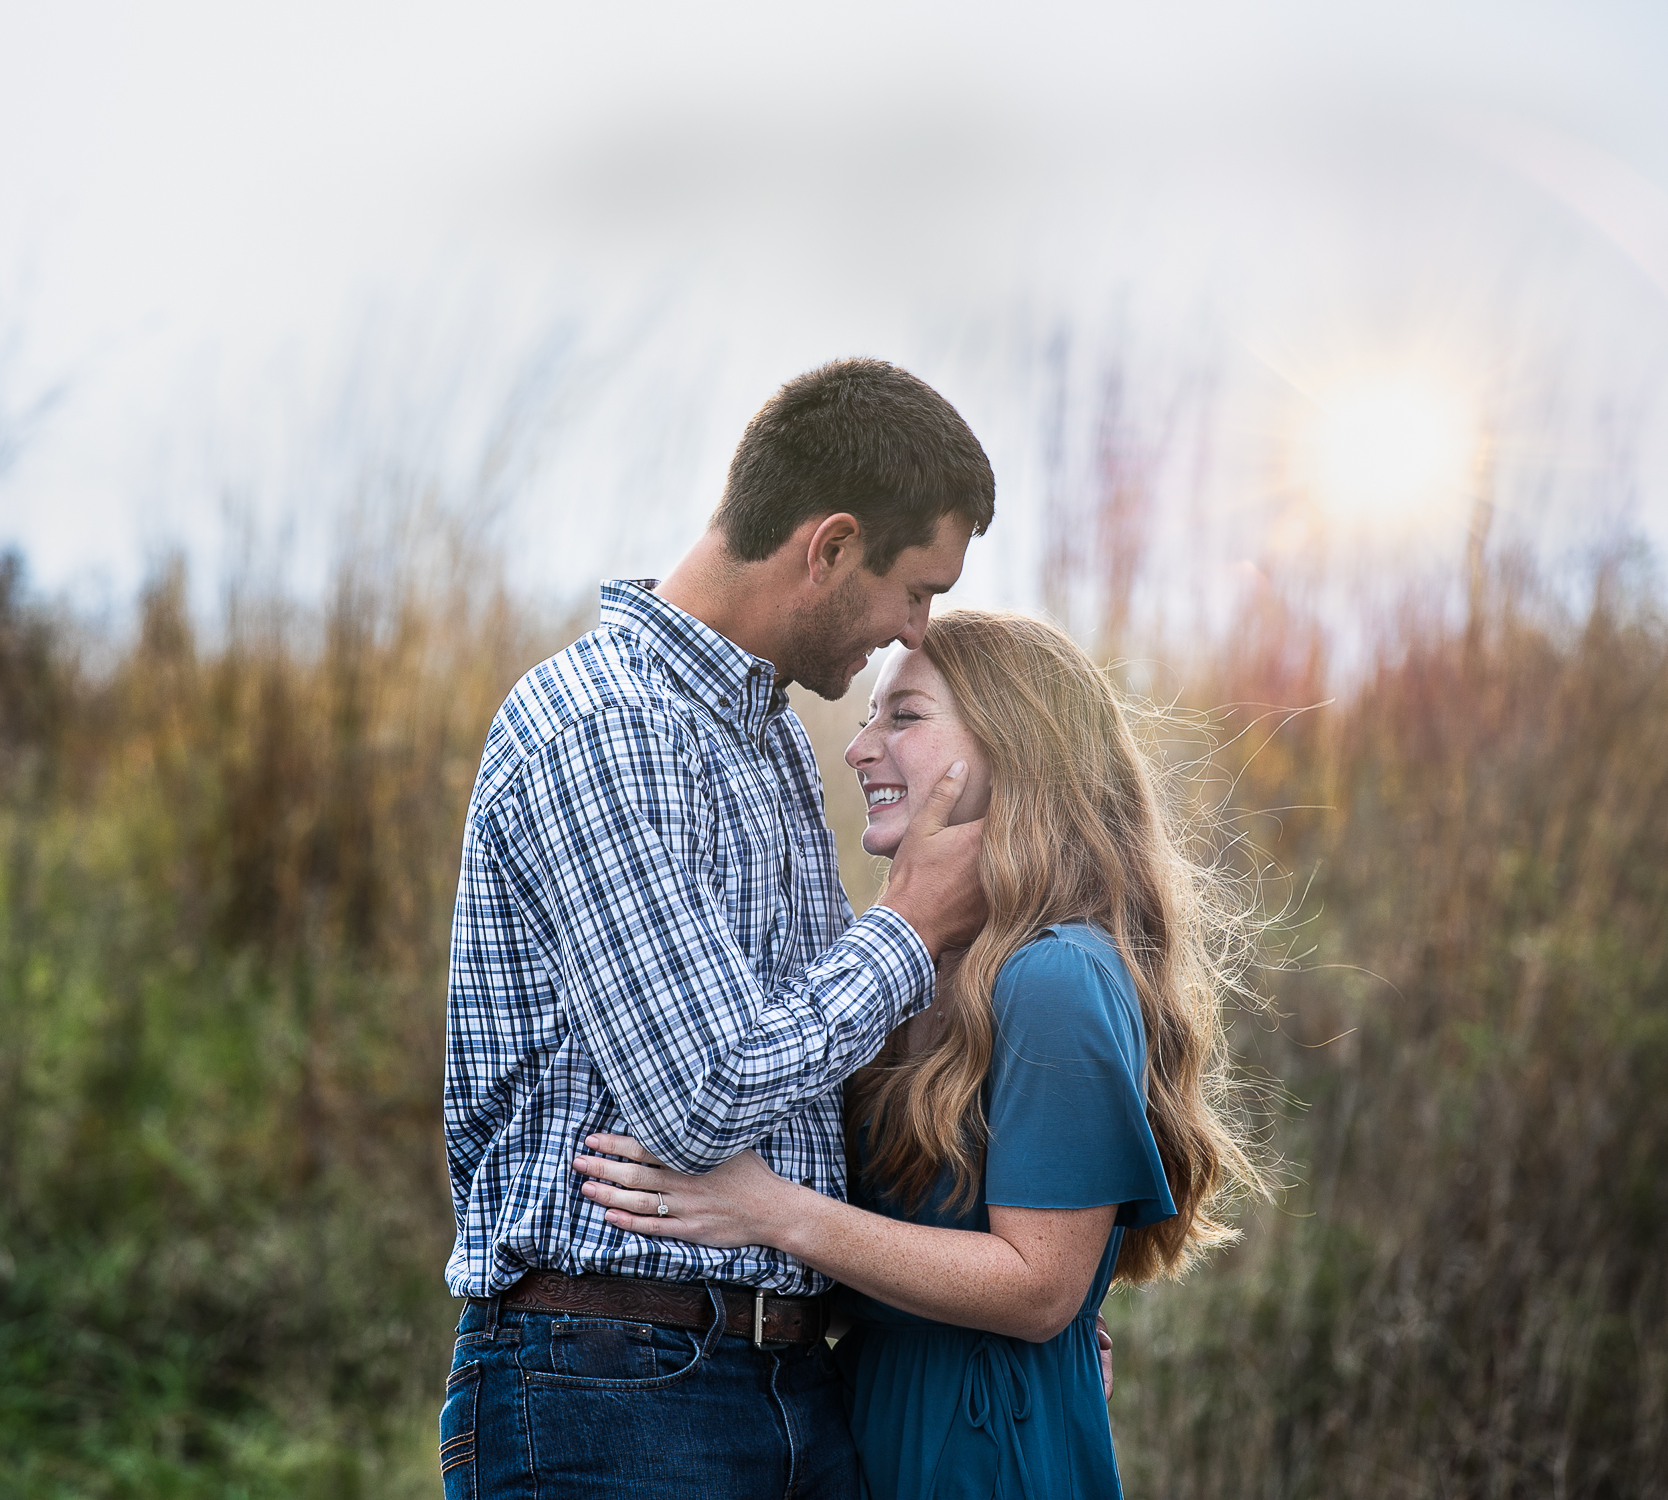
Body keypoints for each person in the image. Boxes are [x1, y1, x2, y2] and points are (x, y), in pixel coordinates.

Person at [439, 358, 1001, 1498]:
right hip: (609, 1388)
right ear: (830, 546)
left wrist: (1030, 1299)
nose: (910, 632)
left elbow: (804, 1076)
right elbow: (704, 1092)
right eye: (916, 589)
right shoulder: (604, 726)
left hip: (784, 1378)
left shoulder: (768, 740)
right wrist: (907, 929)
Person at [574, 608, 1269, 1498]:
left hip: (982, 1441)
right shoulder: (910, 969)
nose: (861, 748)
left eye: (902, 717)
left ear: (1018, 745)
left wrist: (767, 1209)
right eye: (868, 718)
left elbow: (1038, 1288)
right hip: (865, 1411)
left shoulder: (1055, 975)